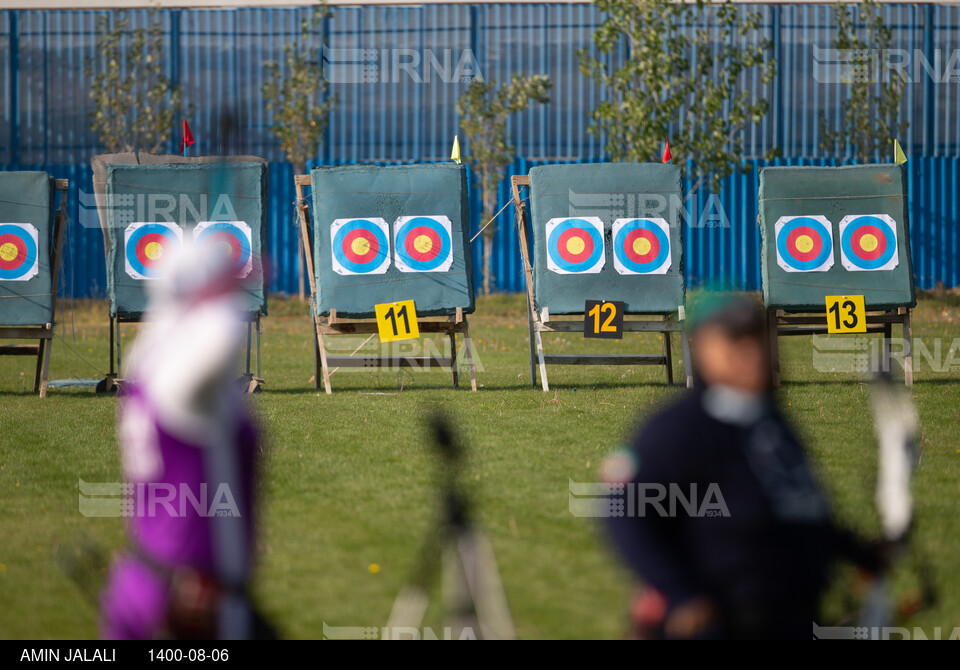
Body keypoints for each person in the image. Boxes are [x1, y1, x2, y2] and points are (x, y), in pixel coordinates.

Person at [602, 294, 883, 639]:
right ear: (705, 350)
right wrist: (681, 593)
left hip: (794, 617)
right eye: (735, 342)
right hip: (723, 621)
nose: (751, 355)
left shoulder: (770, 421)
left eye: (756, 339)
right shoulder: (680, 428)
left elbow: (794, 507)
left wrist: (859, 552)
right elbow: (623, 510)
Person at [100, 243, 270, 640]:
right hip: (190, 605)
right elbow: (219, 339)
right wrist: (220, 294)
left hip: (142, 580)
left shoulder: (151, 351)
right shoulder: (182, 379)